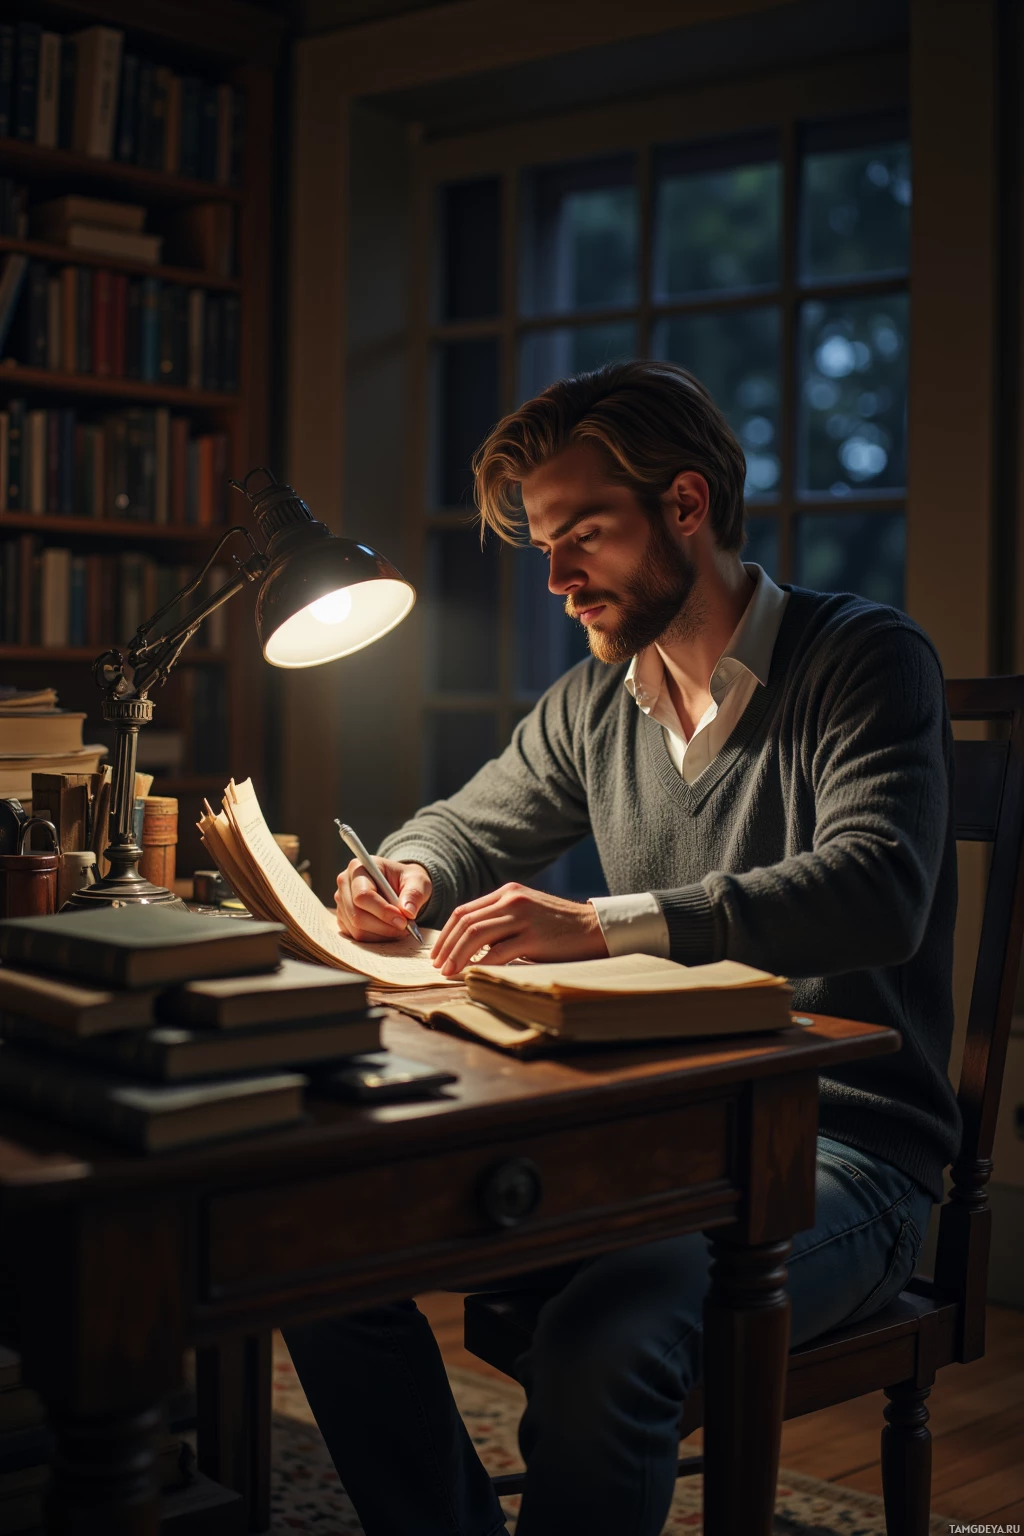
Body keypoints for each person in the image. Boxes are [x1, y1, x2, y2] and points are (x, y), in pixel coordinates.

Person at [285, 360, 961, 1536]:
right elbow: (462, 822)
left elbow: (878, 889)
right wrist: (402, 871)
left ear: (686, 507)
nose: (554, 580)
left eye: (582, 536)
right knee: (309, 1259)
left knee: (607, 1344)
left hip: (840, 1152)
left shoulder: (864, 659)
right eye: (544, 545)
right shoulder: (597, 703)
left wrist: (602, 924)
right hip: (661, 1138)